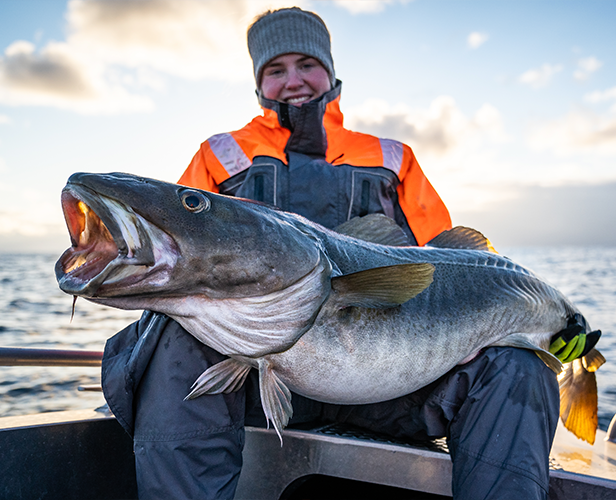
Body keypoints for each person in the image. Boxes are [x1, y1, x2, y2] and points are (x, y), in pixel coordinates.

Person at [101, 7, 583, 499]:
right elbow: (183, 254)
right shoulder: (220, 154)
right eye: (275, 69)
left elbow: (452, 262)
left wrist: (546, 322)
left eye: (306, 63)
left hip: (397, 386)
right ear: (258, 83)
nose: (293, 80)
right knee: (168, 330)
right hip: (253, 382)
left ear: (331, 72)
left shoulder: (391, 156)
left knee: (519, 366)